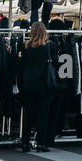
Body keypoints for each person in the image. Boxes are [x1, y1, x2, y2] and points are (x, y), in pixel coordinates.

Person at [19, 22, 53, 152]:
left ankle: (25, 143)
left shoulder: (25, 47)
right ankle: (41, 143)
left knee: (28, 114)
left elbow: (21, 67)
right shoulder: (46, 48)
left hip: (28, 83)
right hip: (42, 84)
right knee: (42, 115)